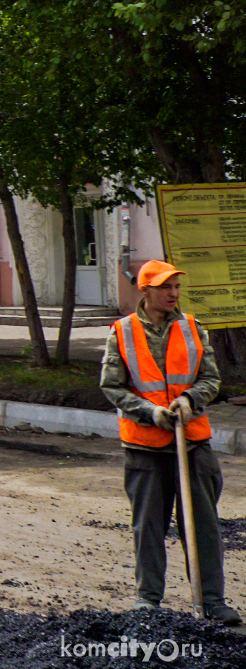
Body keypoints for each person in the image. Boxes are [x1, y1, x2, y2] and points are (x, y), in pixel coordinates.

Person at [101, 260, 239, 623]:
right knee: (148, 526)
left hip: (193, 444)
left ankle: (212, 600)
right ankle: (148, 600)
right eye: (165, 287)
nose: (173, 294)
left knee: (203, 525)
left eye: (176, 287)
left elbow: (211, 379)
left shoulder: (192, 328)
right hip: (145, 447)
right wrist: (149, 411)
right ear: (145, 290)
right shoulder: (123, 331)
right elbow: (112, 386)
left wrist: (190, 400)